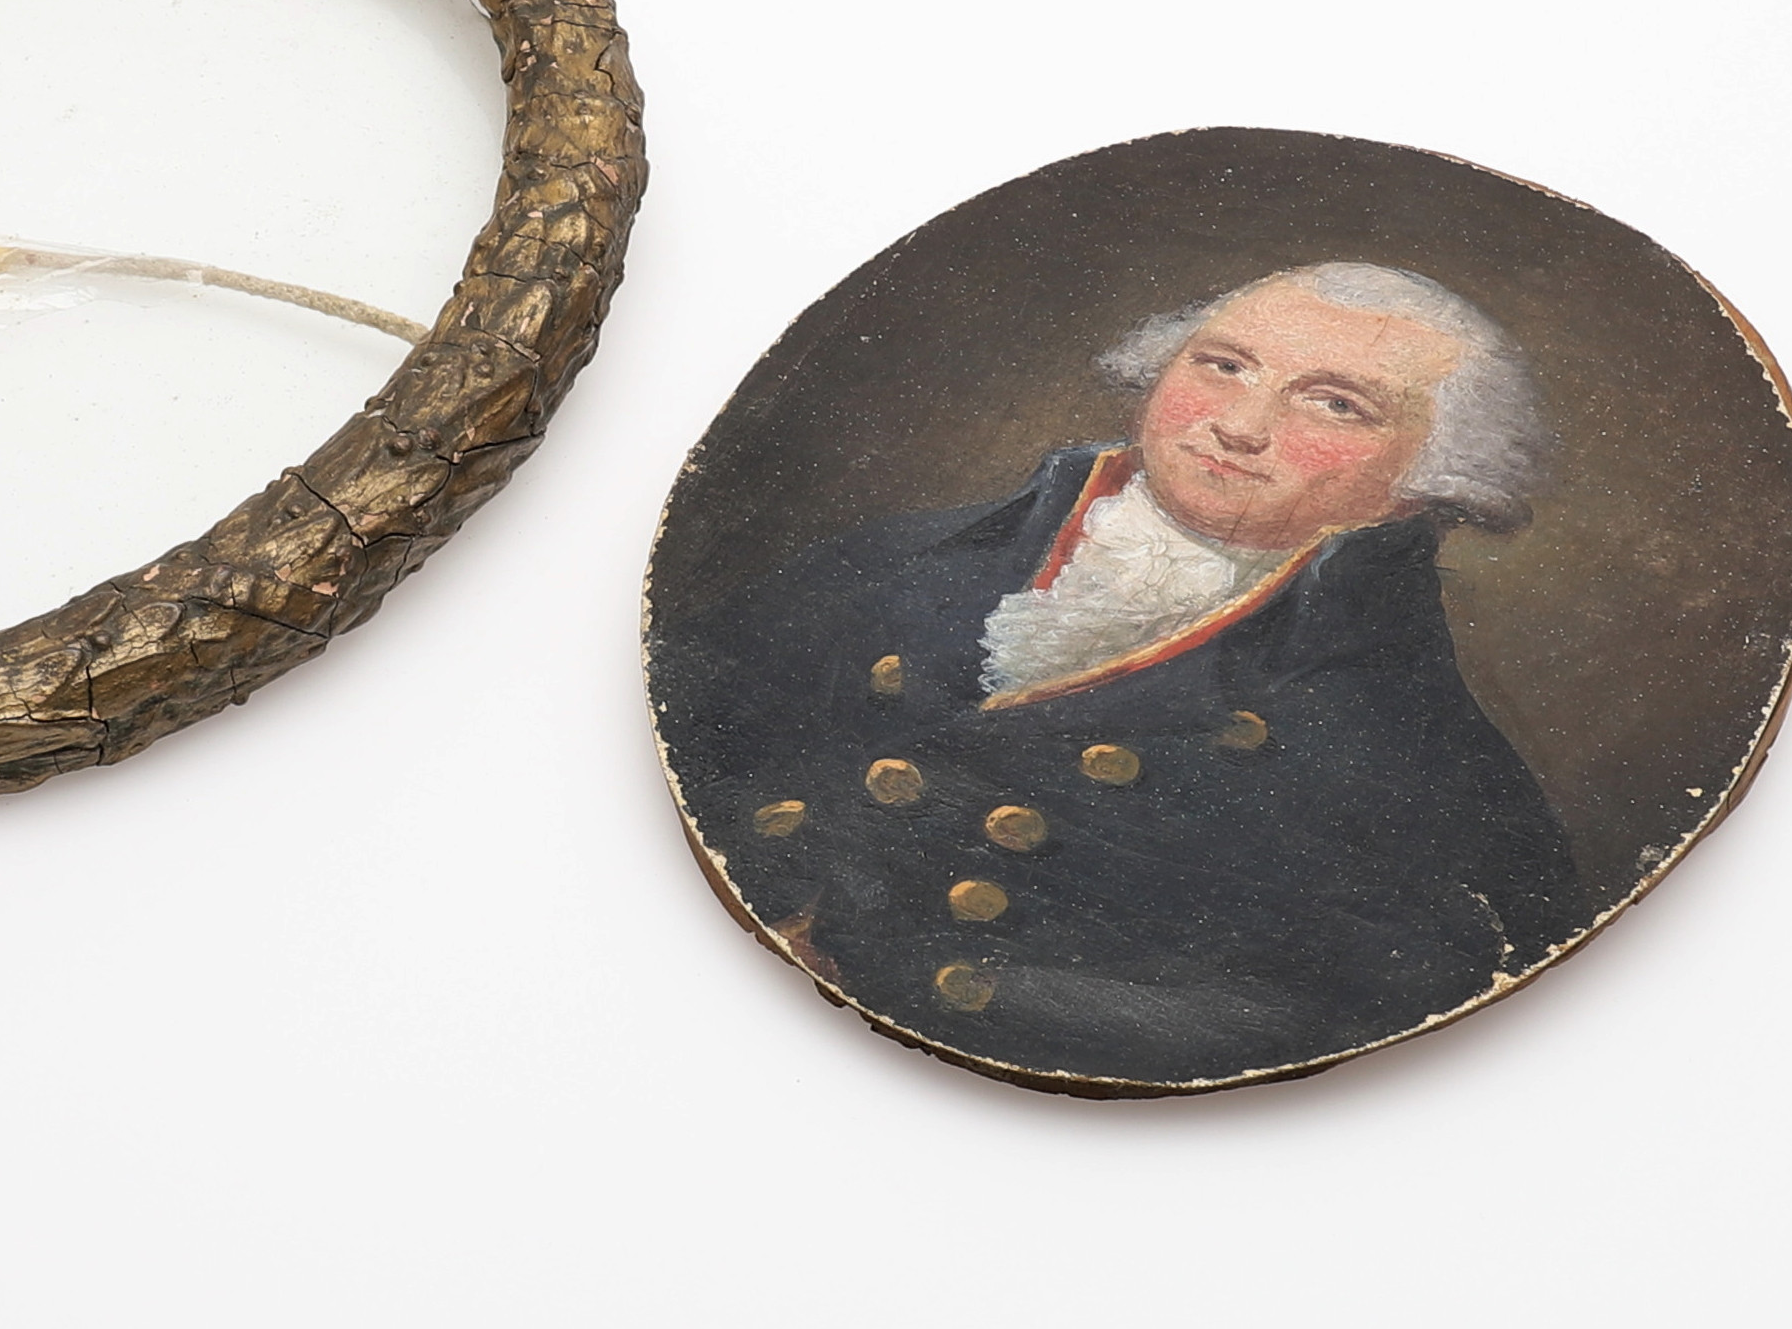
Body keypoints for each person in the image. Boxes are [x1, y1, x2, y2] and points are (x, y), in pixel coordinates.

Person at [650, 263, 1595, 1088]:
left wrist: (900, 986)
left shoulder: (1402, 747)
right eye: (1221, 365)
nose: (1238, 425)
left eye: (1333, 404)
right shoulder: (898, 559)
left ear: (1436, 476)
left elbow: (1363, 1016)